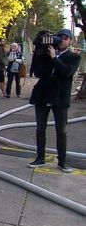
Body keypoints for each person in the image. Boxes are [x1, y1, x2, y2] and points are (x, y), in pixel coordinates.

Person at [27, 28, 81, 173]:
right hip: (43, 95)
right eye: (60, 37)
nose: (62, 40)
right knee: (40, 128)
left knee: (61, 130)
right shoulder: (46, 53)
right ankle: (40, 157)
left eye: (65, 38)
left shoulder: (74, 57)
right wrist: (39, 49)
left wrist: (54, 58)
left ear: (70, 41)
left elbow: (66, 72)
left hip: (59, 97)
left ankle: (62, 161)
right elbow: (37, 72)